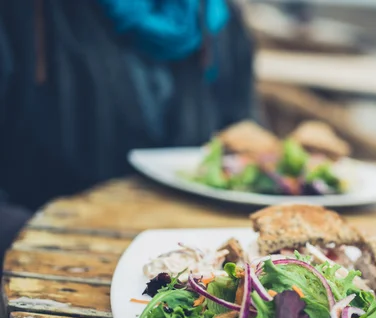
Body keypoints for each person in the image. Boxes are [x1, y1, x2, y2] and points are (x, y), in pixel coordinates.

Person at [0, 2, 255, 318]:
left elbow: (242, 132)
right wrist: (55, 251)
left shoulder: (219, 19)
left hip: (204, 297)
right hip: (58, 301)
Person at [0, 0, 256, 264]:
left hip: (191, 265)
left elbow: (246, 140)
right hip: (49, 266)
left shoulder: (219, 22)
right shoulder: (21, 14)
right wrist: (39, 242)